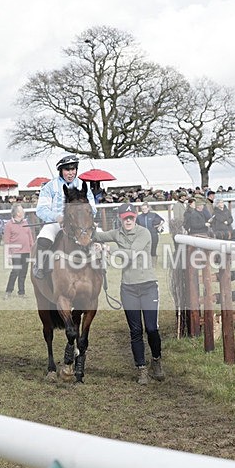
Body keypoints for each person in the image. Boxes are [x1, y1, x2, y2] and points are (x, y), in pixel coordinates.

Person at [93, 203, 164, 385]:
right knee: (135, 331)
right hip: (128, 288)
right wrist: (80, 225)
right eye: (125, 217)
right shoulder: (117, 233)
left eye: (131, 217)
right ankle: (141, 369)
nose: (129, 220)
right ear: (121, 219)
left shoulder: (144, 233)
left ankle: (156, 360)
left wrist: (109, 250)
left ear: (136, 217)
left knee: (151, 329)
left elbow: (131, 254)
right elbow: (96, 235)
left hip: (148, 286)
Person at [33, 155, 96, 280]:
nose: (71, 173)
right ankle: (39, 267)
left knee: (100, 237)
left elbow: (93, 207)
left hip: (81, 223)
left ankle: (101, 268)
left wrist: (85, 218)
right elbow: (41, 210)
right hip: (56, 222)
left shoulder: (83, 185)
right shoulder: (50, 186)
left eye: (73, 169)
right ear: (61, 171)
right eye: (67, 170)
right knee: (43, 239)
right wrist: (57, 217)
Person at [3, 204, 34, 299]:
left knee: (23, 273)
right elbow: (7, 241)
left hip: (26, 251)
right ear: (18, 213)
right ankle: (9, 290)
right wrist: (7, 255)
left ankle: (21, 292)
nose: (24, 212)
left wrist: (32, 249)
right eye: (22, 210)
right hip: (15, 252)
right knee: (15, 271)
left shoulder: (25, 222)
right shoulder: (9, 225)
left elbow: (30, 237)